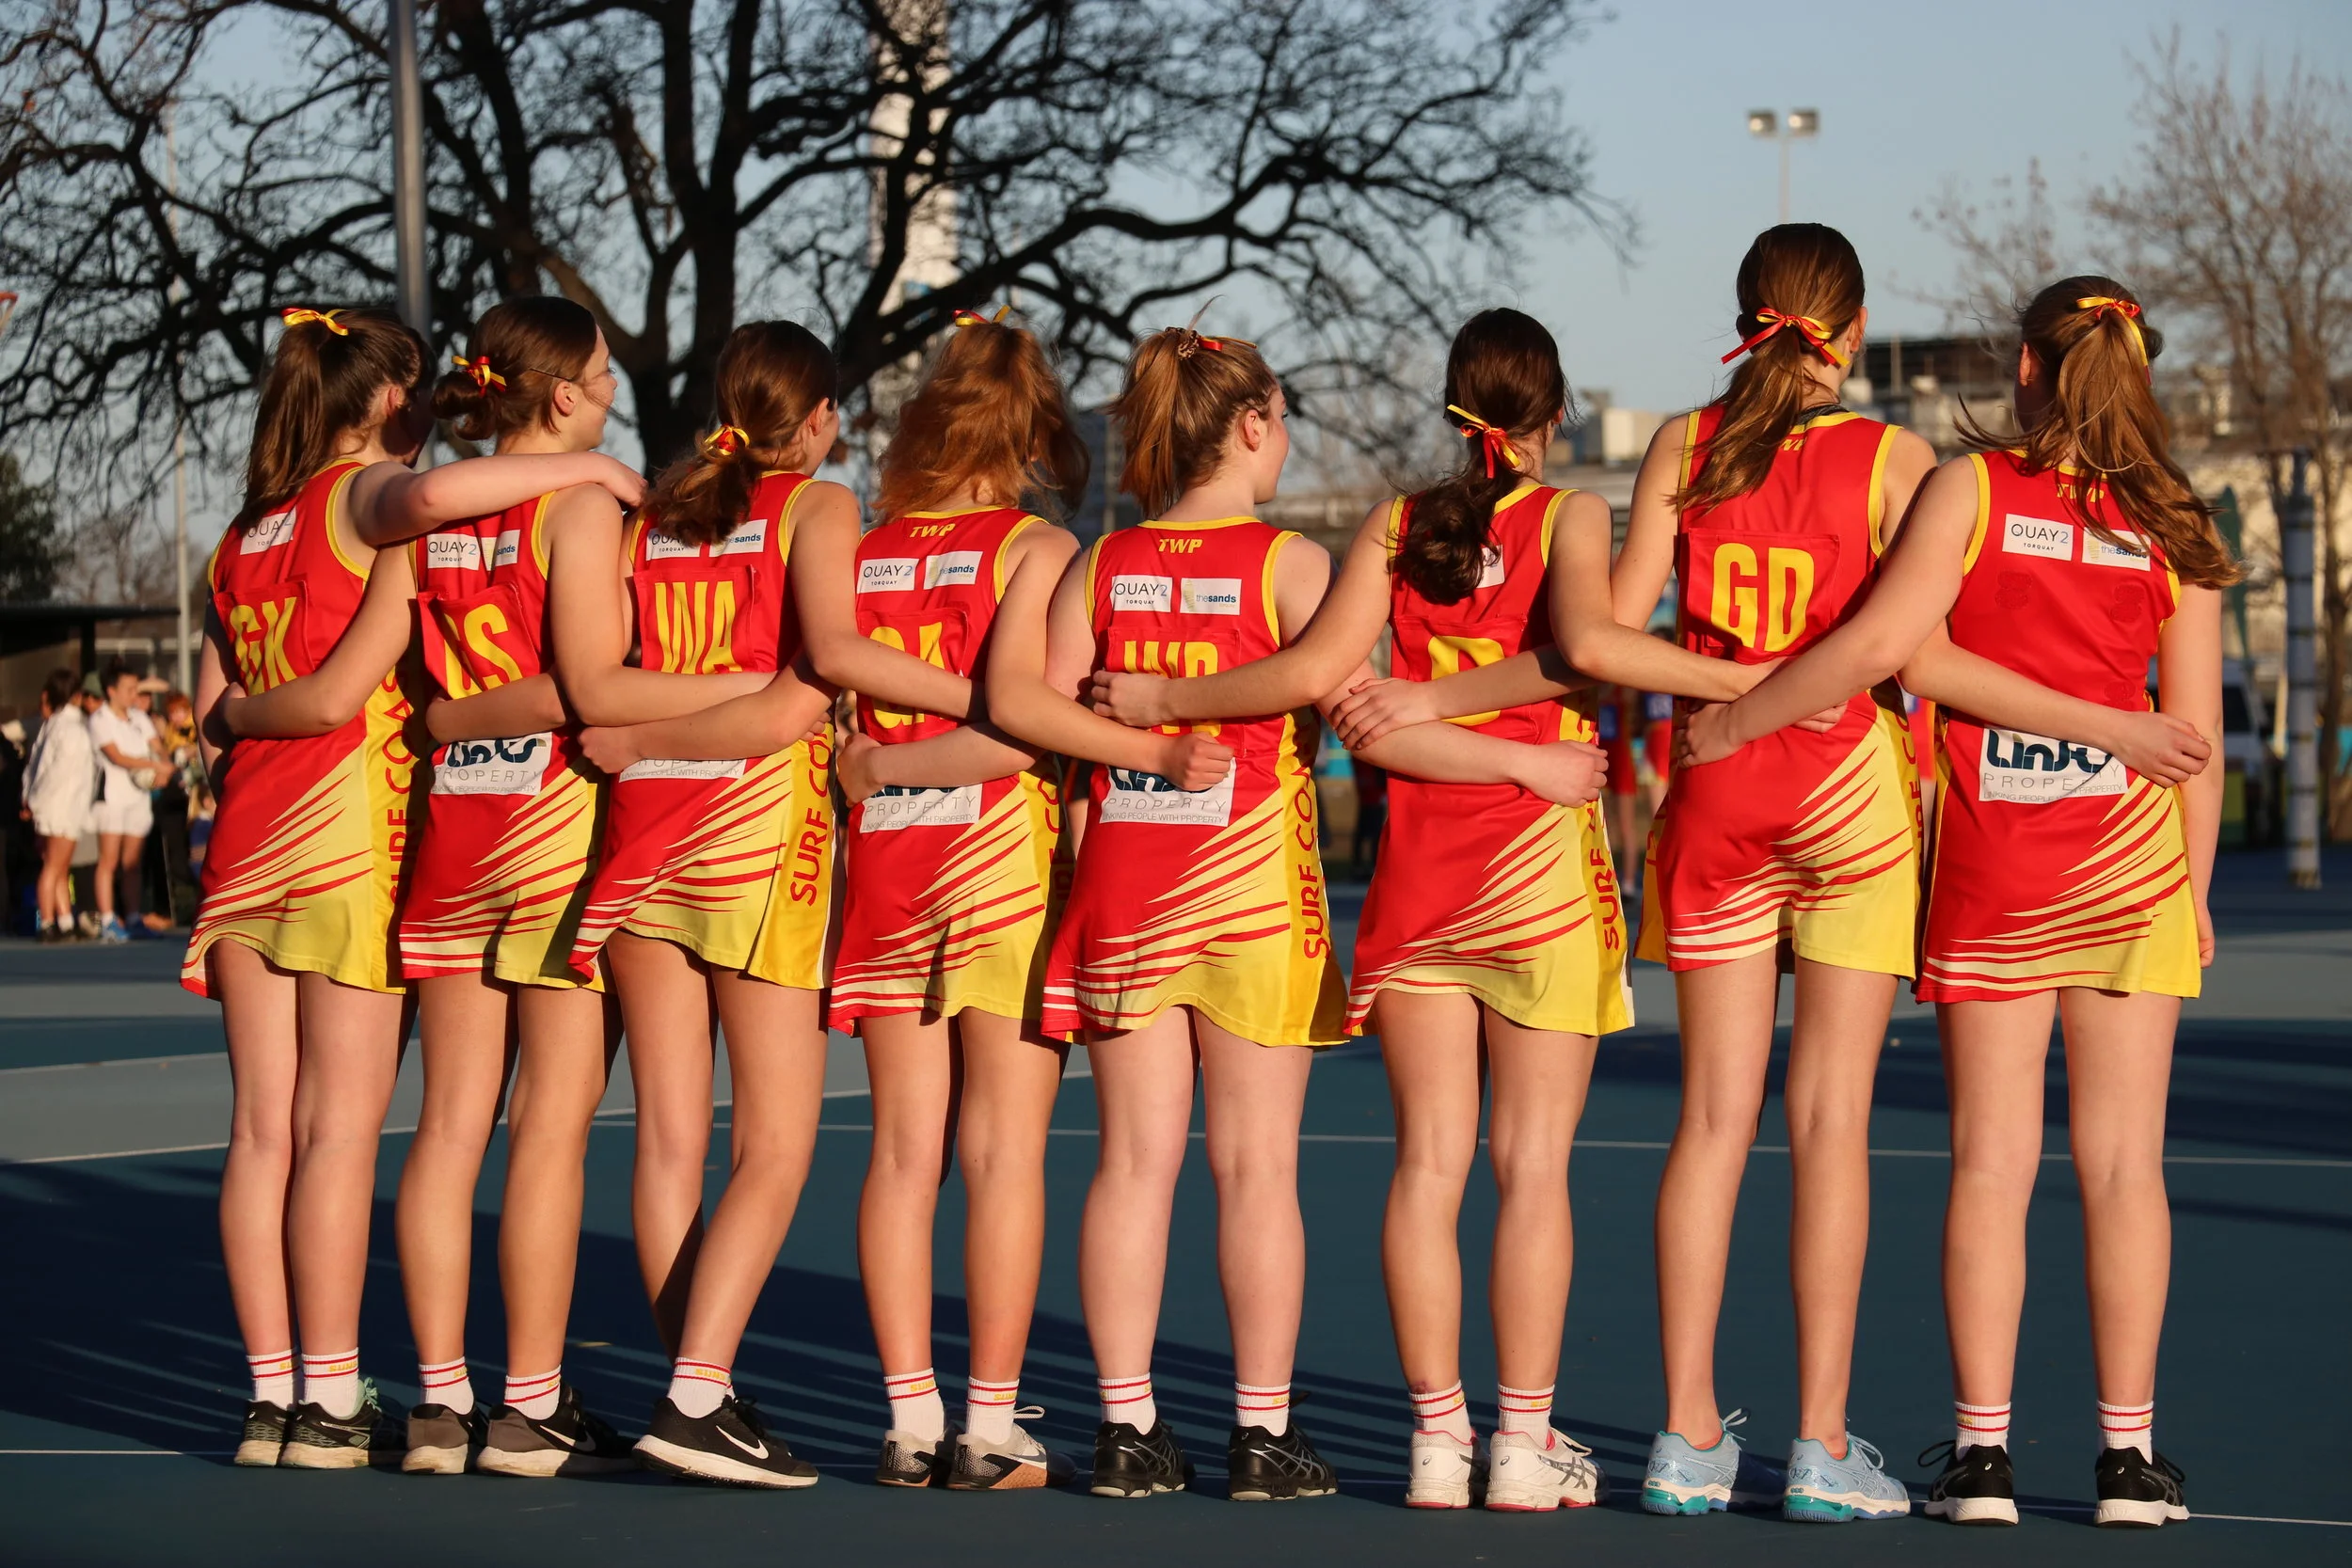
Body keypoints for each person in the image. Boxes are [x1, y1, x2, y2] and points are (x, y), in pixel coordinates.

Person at [1087, 308, 1760, 1513]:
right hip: (1535, 865)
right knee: (1533, 1167)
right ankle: (1522, 1440)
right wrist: (1540, 744)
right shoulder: (1568, 516)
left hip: (1417, 877)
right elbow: (1585, 652)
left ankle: (1438, 1440)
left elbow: (1321, 685)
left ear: (1452, 407)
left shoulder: (1392, 526)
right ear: (1552, 415)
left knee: (1428, 1166)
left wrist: (1157, 691)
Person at [997, 316, 1605, 1504]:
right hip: (1245, 888)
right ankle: (1260, 1431)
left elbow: (1025, 697)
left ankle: (1127, 1427)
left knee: (1129, 1162)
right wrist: (1183, 732)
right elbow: (1328, 679)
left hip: (1125, 873)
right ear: (1254, 428)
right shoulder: (1287, 564)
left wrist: (1137, 742)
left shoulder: (1101, 564)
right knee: (1255, 1166)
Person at [1682, 277, 2224, 1529]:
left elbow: (1903, 649)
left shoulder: (1973, 488)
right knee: (2124, 1164)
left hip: (1999, 863)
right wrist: (2191, 889)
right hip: (2130, 858)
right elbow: (2189, 733)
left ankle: (1981, 1456)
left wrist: (1738, 719)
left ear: (2027, 369)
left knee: (1989, 1159)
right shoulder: (2170, 514)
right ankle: (2128, 1460)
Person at [184, 303, 643, 1468]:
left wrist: (235, 717)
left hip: (242, 846)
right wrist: (591, 460)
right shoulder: (370, 503)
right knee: (341, 1132)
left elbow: (207, 708)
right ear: (391, 401)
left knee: (260, 1134)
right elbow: (417, 531)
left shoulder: (237, 538)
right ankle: (340, 1395)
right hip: (343, 835)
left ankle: (278, 1394)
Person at [1577, 225, 1940, 1521]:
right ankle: (1821, 1441)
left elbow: (1609, 639)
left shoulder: (1684, 443)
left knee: (1712, 1119)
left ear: (1745, 314)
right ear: (1849, 325)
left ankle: (1684, 1433)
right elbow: (1918, 654)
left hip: (1719, 794)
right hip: (1845, 785)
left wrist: (1728, 685)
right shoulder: (1896, 461)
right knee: (1830, 1120)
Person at [321, 294, 661, 1479]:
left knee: (450, 1122)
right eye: (605, 374)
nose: (615, 389)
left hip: (451, 829)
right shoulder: (574, 507)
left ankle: (437, 1400)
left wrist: (459, 715)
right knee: (549, 1128)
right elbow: (587, 686)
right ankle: (527, 1403)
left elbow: (418, 683)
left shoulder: (434, 524)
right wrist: (750, 694)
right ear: (561, 393)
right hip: (554, 829)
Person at [561, 322, 857, 1487]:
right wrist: (736, 708)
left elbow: (609, 695)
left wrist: (642, 734)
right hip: (753, 833)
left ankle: (703, 1379)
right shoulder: (817, 510)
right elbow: (796, 703)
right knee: (776, 1139)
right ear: (820, 418)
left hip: (642, 830)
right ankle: (696, 1393)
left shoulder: (654, 522)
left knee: (670, 1135)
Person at [816, 309, 1087, 1492]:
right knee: (1002, 1151)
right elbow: (1013, 735)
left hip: (884, 862)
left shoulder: (864, 546)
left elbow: (837, 695)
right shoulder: (1035, 548)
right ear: (1028, 427)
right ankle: (986, 1420)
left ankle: (907, 1412)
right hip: (997, 863)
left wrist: (874, 767)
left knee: (900, 1149)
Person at [87, 661, 165, 942]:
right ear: (111, 690)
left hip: (138, 800)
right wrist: (153, 766)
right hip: (112, 799)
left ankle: (133, 917)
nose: (135, 694)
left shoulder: (139, 718)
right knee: (108, 860)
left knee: (133, 862)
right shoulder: (99, 719)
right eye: (129, 689)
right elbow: (116, 757)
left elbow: (158, 747)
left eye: (136, 688)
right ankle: (108, 919)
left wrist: (165, 766)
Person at [22, 669, 92, 942]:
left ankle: (63, 920)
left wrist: (31, 799)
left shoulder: (55, 726)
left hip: (57, 805)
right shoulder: (69, 728)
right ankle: (48, 921)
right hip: (61, 806)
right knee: (53, 866)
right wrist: (36, 802)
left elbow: (36, 768)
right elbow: (54, 773)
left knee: (60, 867)